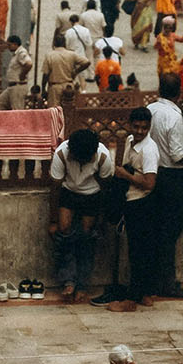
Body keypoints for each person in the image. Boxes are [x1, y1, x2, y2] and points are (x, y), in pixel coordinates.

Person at [49, 128, 115, 302]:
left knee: (86, 238)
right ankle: (68, 280)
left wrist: (101, 220)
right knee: (63, 232)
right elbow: (55, 188)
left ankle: (82, 284)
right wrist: (53, 220)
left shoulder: (103, 157)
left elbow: (105, 188)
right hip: (69, 192)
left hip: (92, 195)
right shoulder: (62, 154)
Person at [147, 73, 183, 299]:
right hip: (172, 179)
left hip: (152, 174)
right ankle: (167, 282)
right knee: (169, 233)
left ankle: (154, 280)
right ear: (180, 92)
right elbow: (177, 155)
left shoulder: (150, 110)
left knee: (156, 230)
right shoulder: (173, 118)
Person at [111, 106, 160, 312]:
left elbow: (149, 183)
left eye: (144, 128)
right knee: (143, 251)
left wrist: (126, 176)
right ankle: (146, 294)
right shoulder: (131, 141)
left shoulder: (149, 150)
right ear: (131, 125)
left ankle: (132, 300)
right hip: (131, 201)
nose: (140, 131)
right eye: (137, 127)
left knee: (138, 253)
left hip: (143, 204)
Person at [0, 35, 33, 110]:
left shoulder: (21, 52)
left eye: (9, 45)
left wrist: (23, 74)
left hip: (18, 86)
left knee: (17, 110)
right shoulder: (16, 54)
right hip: (11, 86)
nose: (8, 47)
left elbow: (29, 64)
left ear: (15, 44)